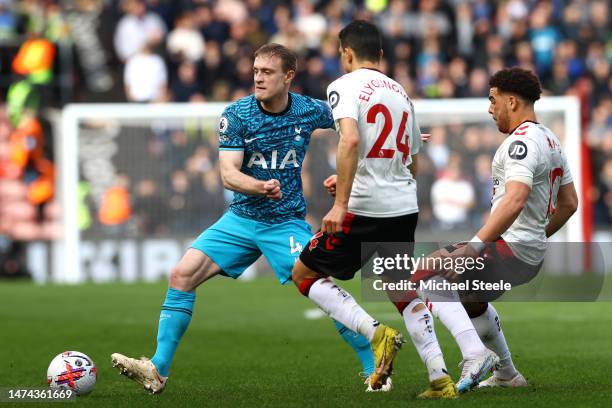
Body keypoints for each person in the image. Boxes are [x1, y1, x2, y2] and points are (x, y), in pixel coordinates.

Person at [111, 43, 378, 394]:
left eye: (267, 72)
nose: (258, 78)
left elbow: (354, 126)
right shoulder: (237, 115)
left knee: (320, 288)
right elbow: (228, 174)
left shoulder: (309, 110)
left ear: (288, 76)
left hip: (285, 222)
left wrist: (394, 142)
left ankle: (374, 367)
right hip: (241, 218)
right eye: (255, 71)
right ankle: (158, 369)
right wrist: (258, 186)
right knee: (181, 274)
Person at [291, 20, 496, 398]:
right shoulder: (402, 93)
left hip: (363, 207)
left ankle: (376, 334)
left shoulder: (342, 86)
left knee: (303, 273)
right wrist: (363, 176)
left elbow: (350, 139)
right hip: (403, 206)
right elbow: (412, 161)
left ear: (346, 54)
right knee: (401, 289)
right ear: (381, 55)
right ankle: (439, 378)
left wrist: (341, 203)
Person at [413, 67, 578, 389]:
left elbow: (515, 199)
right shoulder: (550, 139)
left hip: (510, 248)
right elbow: (569, 203)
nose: (490, 109)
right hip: (526, 252)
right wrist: (535, 238)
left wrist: (473, 248)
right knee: (471, 298)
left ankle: (476, 354)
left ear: (512, 101)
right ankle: (507, 375)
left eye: (493, 100)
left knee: (424, 275)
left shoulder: (522, 143)